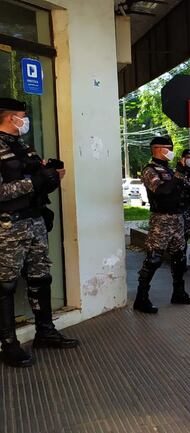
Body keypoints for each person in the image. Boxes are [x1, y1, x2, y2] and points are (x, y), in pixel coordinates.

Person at [0, 97, 78, 368]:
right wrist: (35, 181)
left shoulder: (22, 146)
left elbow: (37, 180)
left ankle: (45, 331)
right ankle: (8, 344)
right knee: (5, 285)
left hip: (34, 221)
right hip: (9, 226)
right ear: (11, 117)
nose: (26, 121)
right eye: (23, 115)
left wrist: (51, 176)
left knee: (40, 277)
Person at [133, 136, 190, 314]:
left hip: (178, 218)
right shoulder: (150, 170)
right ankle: (141, 298)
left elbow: (186, 190)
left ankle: (179, 293)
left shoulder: (170, 170)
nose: (171, 151)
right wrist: (178, 175)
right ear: (158, 149)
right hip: (161, 219)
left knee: (179, 258)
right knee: (154, 259)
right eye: (168, 148)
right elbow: (163, 191)